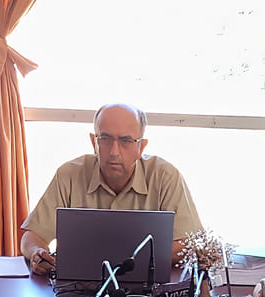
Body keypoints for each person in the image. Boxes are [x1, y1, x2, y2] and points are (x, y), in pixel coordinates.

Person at [20, 103, 204, 276]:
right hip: (77, 284)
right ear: (94, 142)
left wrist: (126, 256)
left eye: (126, 141)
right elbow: (32, 235)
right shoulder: (69, 175)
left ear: (141, 146)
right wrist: (38, 252)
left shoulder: (165, 177)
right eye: (105, 139)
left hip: (148, 286)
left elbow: (191, 244)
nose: (114, 152)